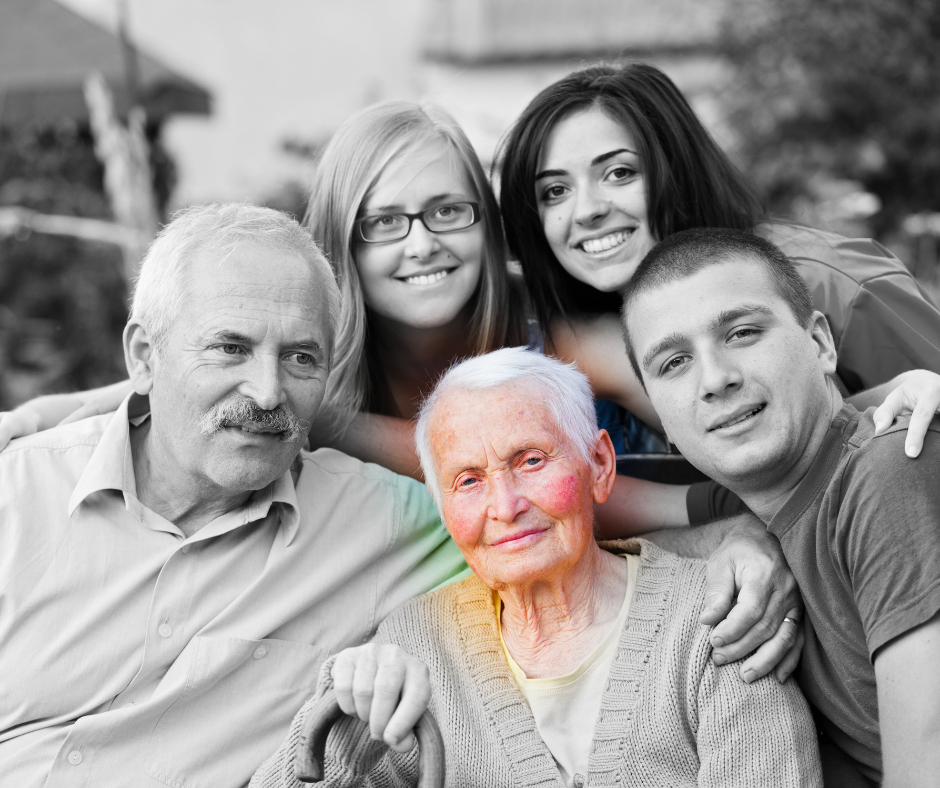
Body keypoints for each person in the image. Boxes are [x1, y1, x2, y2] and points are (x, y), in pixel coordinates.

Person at [0, 204, 471, 786]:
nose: (269, 392)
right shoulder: (15, 498)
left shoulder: (385, 522)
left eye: (302, 358)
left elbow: (544, 516)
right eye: (230, 348)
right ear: (144, 358)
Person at [251, 348, 822, 788]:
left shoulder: (715, 618)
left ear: (599, 464)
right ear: (444, 506)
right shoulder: (415, 643)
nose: (505, 506)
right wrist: (349, 709)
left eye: (530, 461)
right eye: (468, 480)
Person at [496, 61, 940, 500]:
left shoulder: (834, 283)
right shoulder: (576, 325)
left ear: (678, 169)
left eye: (620, 173)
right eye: (555, 191)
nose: (587, 210)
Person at [621, 227, 940, 787]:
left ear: (821, 344)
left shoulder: (891, 470)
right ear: (660, 416)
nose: (716, 379)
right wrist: (728, 536)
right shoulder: (776, 518)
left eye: (742, 332)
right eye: (673, 363)